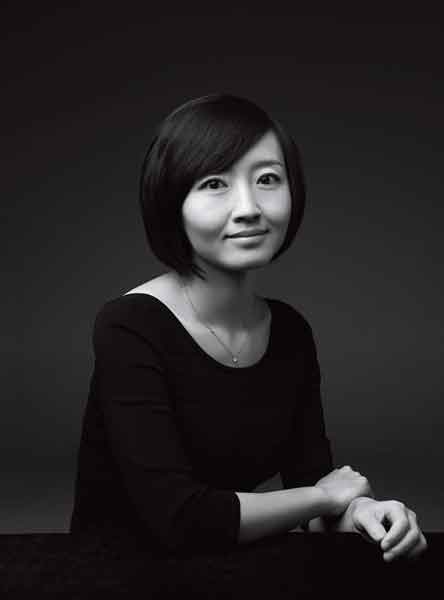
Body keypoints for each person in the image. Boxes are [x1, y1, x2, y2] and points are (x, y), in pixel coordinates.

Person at [70, 94, 427, 566]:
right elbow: (179, 518)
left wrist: (364, 513)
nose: (249, 208)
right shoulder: (129, 325)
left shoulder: (290, 332)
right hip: (118, 574)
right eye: (215, 183)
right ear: (170, 202)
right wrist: (326, 497)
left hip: (229, 567)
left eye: (267, 179)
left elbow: (312, 487)